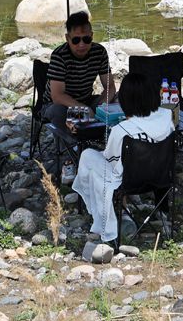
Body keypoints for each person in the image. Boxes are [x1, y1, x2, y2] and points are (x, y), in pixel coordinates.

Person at [73, 72, 174, 243]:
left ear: (125, 101)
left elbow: (110, 159)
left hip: (130, 182)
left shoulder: (122, 130)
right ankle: (149, 212)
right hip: (160, 177)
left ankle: (106, 216)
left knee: (88, 156)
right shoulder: (166, 117)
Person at [42, 11, 118, 130]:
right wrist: (83, 109)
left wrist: (101, 106)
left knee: (119, 99)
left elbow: (110, 86)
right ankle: (74, 139)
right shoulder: (59, 55)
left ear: (91, 36)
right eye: (76, 40)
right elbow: (57, 96)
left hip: (87, 101)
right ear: (67, 38)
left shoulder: (100, 52)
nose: (82, 45)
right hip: (59, 105)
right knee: (60, 112)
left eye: (86, 39)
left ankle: (107, 134)